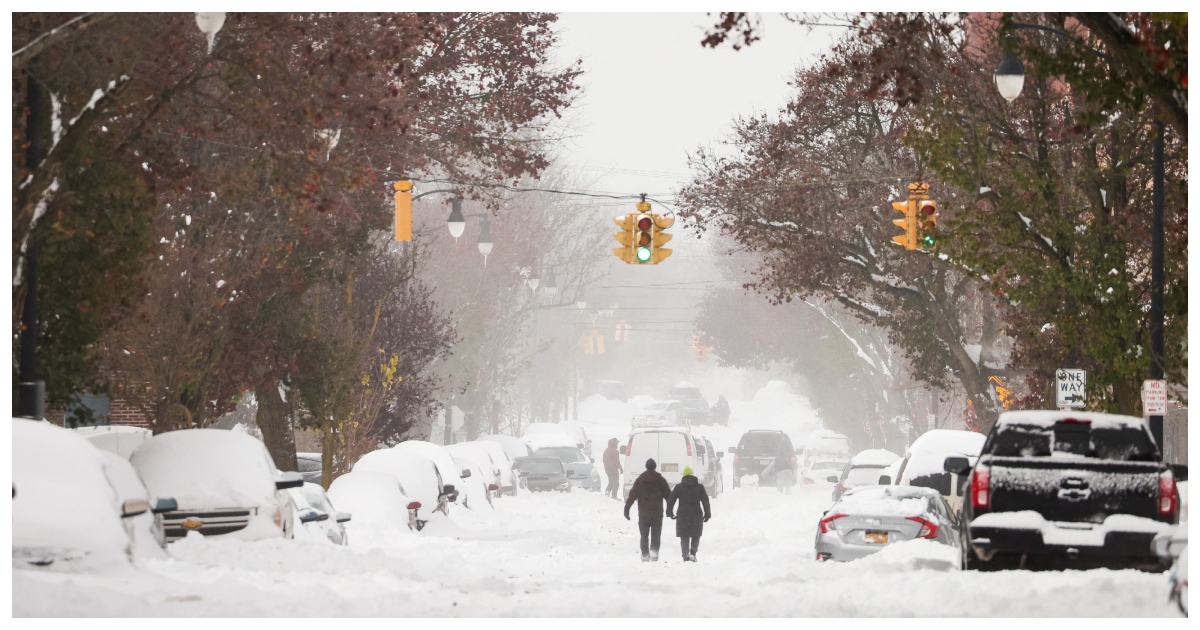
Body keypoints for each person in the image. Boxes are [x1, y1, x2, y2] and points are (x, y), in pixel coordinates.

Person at [624, 458, 671, 561]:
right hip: (657, 513)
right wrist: (670, 510)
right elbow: (668, 496)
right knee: (656, 533)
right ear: (655, 467)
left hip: (643, 513)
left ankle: (645, 553)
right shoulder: (660, 480)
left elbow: (632, 495)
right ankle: (654, 551)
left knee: (644, 534)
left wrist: (627, 508)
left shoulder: (640, 480)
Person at [666, 466, 711, 562]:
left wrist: (669, 512)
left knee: (684, 536)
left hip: (683, 515)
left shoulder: (678, 487)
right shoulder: (700, 487)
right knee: (696, 535)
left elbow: (671, 500)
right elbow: (705, 501)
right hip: (696, 514)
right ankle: (693, 553)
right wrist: (707, 513)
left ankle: (685, 555)